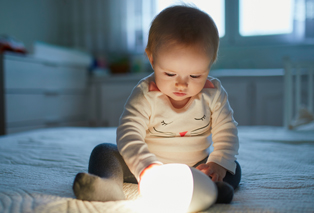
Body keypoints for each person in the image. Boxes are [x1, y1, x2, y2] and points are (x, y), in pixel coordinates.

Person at [73, 5, 241, 204]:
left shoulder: (213, 92)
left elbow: (227, 131)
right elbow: (129, 132)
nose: (182, 84)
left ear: (209, 65)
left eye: (195, 75)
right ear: (152, 59)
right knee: (104, 152)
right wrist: (145, 165)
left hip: (196, 167)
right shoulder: (146, 94)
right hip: (147, 165)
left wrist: (217, 164)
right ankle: (109, 184)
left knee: (233, 167)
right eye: (170, 74)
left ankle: (211, 187)